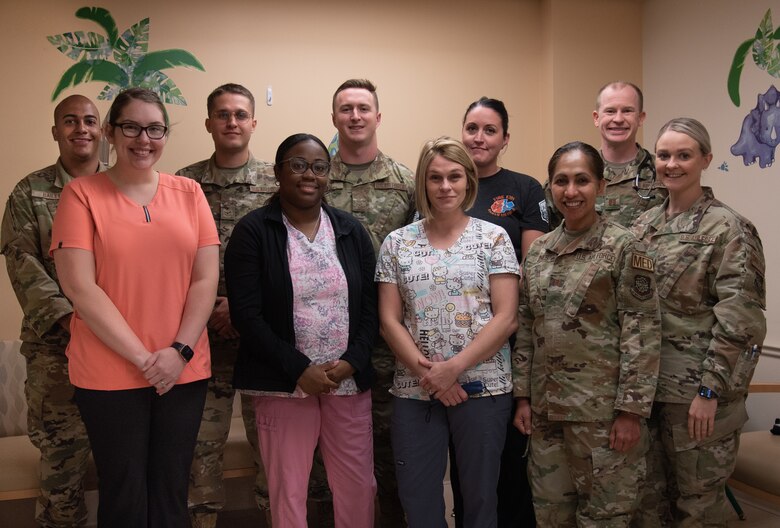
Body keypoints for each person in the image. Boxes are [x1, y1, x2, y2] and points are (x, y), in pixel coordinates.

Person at [50, 87, 219, 527]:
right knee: (123, 492)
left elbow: (205, 278)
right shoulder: (81, 196)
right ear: (110, 132)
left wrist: (178, 352)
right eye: (131, 127)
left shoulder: (190, 193)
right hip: (109, 372)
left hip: (183, 369)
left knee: (170, 488)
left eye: (155, 128)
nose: (144, 139)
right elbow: (79, 287)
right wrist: (146, 359)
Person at [225, 133, 378, 528]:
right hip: (283, 384)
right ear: (277, 172)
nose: (309, 174)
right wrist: (297, 368)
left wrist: (352, 361)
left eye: (319, 167)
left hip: (347, 382)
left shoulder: (350, 230)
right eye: (297, 164)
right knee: (287, 489)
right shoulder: (253, 232)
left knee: (358, 486)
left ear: (329, 175)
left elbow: (370, 306)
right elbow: (246, 314)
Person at [513, 141, 661, 527]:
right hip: (547, 418)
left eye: (582, 180)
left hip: (603, 419)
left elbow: (641, 332)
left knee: (605, 518)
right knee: (550, 517)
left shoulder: (626, 247)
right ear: (550, 188)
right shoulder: (540, 252)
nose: (571, 191)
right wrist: (523, 397)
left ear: (601, 187)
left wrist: (631, 411)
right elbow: (528, 330)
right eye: (561, 181)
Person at [376, 137, 520, 528]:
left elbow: (506, 317)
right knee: (418, 498)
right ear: (423, 182)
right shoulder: (397, 243)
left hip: (482, 387)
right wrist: (433, 377)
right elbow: (389, 320)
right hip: (415, 388)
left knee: (479, 499)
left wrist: (453, 369)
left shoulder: (493, 239)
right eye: (435, 178)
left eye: (455, 176)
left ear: (468, 180)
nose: (445, 187)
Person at [631, 118, 766, 527]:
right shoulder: (643, 227)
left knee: (699, 508)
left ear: (705, 159)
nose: (672, 164)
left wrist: (711, 390)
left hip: (698, 396)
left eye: (684, 155)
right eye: (664, 155)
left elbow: (740, 321)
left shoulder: (729, 228)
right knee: (649, 502)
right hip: (645, 391)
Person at [1, 94, 105, 527]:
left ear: (103, 130)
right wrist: (73, 321)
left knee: (127, 465)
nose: (80, 128)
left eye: (89, 120)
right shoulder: (30, 191)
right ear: (55, 131)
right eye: (69, 121)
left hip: (123, 352)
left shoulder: (126, 186)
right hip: (56, 352)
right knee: (62, 471)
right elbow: (22, 262)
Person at [176, 83, 277, 528]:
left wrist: (239, 307)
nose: (231, 122)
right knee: (200, 449)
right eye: (222, 114)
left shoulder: (279, 183)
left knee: (273, 450)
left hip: (262, 341)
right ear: (208, 123)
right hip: (199, 341)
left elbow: (290, 258)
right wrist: (208, 310)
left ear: (254, 122)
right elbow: (167, 257)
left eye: (240, 114)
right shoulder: (180, 183)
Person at [326, 78, 416, 526]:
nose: (355, 116)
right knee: (330, 455)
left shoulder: (405, 182)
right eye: (346, 109)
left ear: (378, 117)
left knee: (391, 445)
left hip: (388, 336)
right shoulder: (314, 177)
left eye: (364, 108)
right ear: (335, 117)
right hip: (326, 334)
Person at [457, 96, 548, 527]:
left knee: (511, 458)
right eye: (472, 127)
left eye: (490, 130)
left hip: (507, 339)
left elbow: (531, 270)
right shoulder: (447, 185)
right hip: (453, 343)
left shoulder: (525, 189)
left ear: (505, 139)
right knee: (465, 464)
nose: (479, 137)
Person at [546, 81, 666, 229]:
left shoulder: (663, 172)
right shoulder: (569, 173)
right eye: (610, 111)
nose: (618, 119)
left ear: (640, 118)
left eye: (627, 111)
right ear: (596, 118)